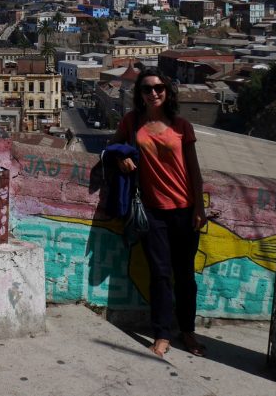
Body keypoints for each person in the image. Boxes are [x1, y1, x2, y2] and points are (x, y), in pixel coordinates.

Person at [114, 66, 207, 358]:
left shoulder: (182, 126)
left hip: (184, 209)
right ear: (139, 94)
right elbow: (113, 147)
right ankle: (162, 333)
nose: (153, 93)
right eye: (147, 88)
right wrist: (120, 159)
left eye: (159, 88)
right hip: (152, 211)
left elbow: (193, 168)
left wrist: (200, 208)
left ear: (167, 92)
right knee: (160, 275)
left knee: (185, 276)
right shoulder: (132, 123)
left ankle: (188, 331)